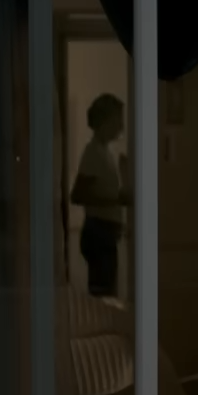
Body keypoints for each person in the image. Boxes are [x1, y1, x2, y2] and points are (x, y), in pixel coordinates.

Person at [71, 93, 131, 299]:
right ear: (105, 121)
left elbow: (108, 193)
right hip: (99, 233)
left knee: (107, 293)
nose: (121, 126)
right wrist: (116, 200)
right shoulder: (93, 153)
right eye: (118, 120)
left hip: (105, 233)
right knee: (104, 297)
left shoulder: (106, 152)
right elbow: (77, 195)